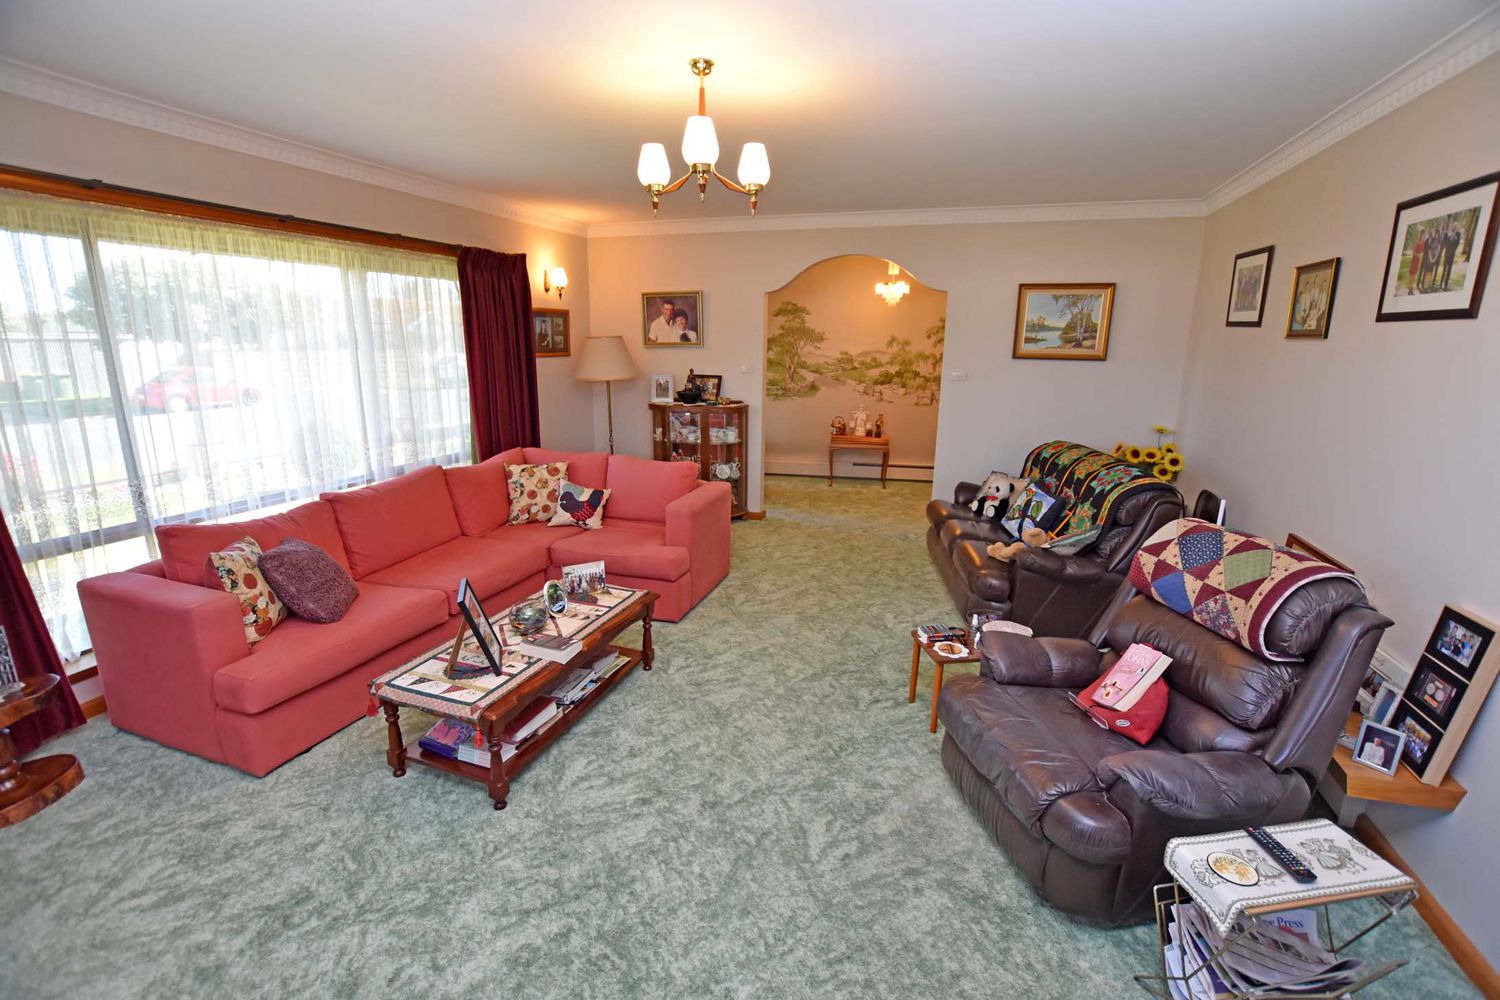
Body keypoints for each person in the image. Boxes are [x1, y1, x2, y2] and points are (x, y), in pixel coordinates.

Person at [1440, 222, 1461, 289]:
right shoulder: (1448, 233)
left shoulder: (1458, 234)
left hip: (1452, 255)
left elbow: (1457, 243)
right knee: (1444, 269)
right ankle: (1441, 283)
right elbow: (1444, 242)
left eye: (1456, 227)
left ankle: (1446, 284)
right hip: (1446, 253)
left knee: (1449, 269)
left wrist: (1454, 238)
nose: (1455, 228)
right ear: (1453, 227)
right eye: (1454, 226)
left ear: (1457, 228)